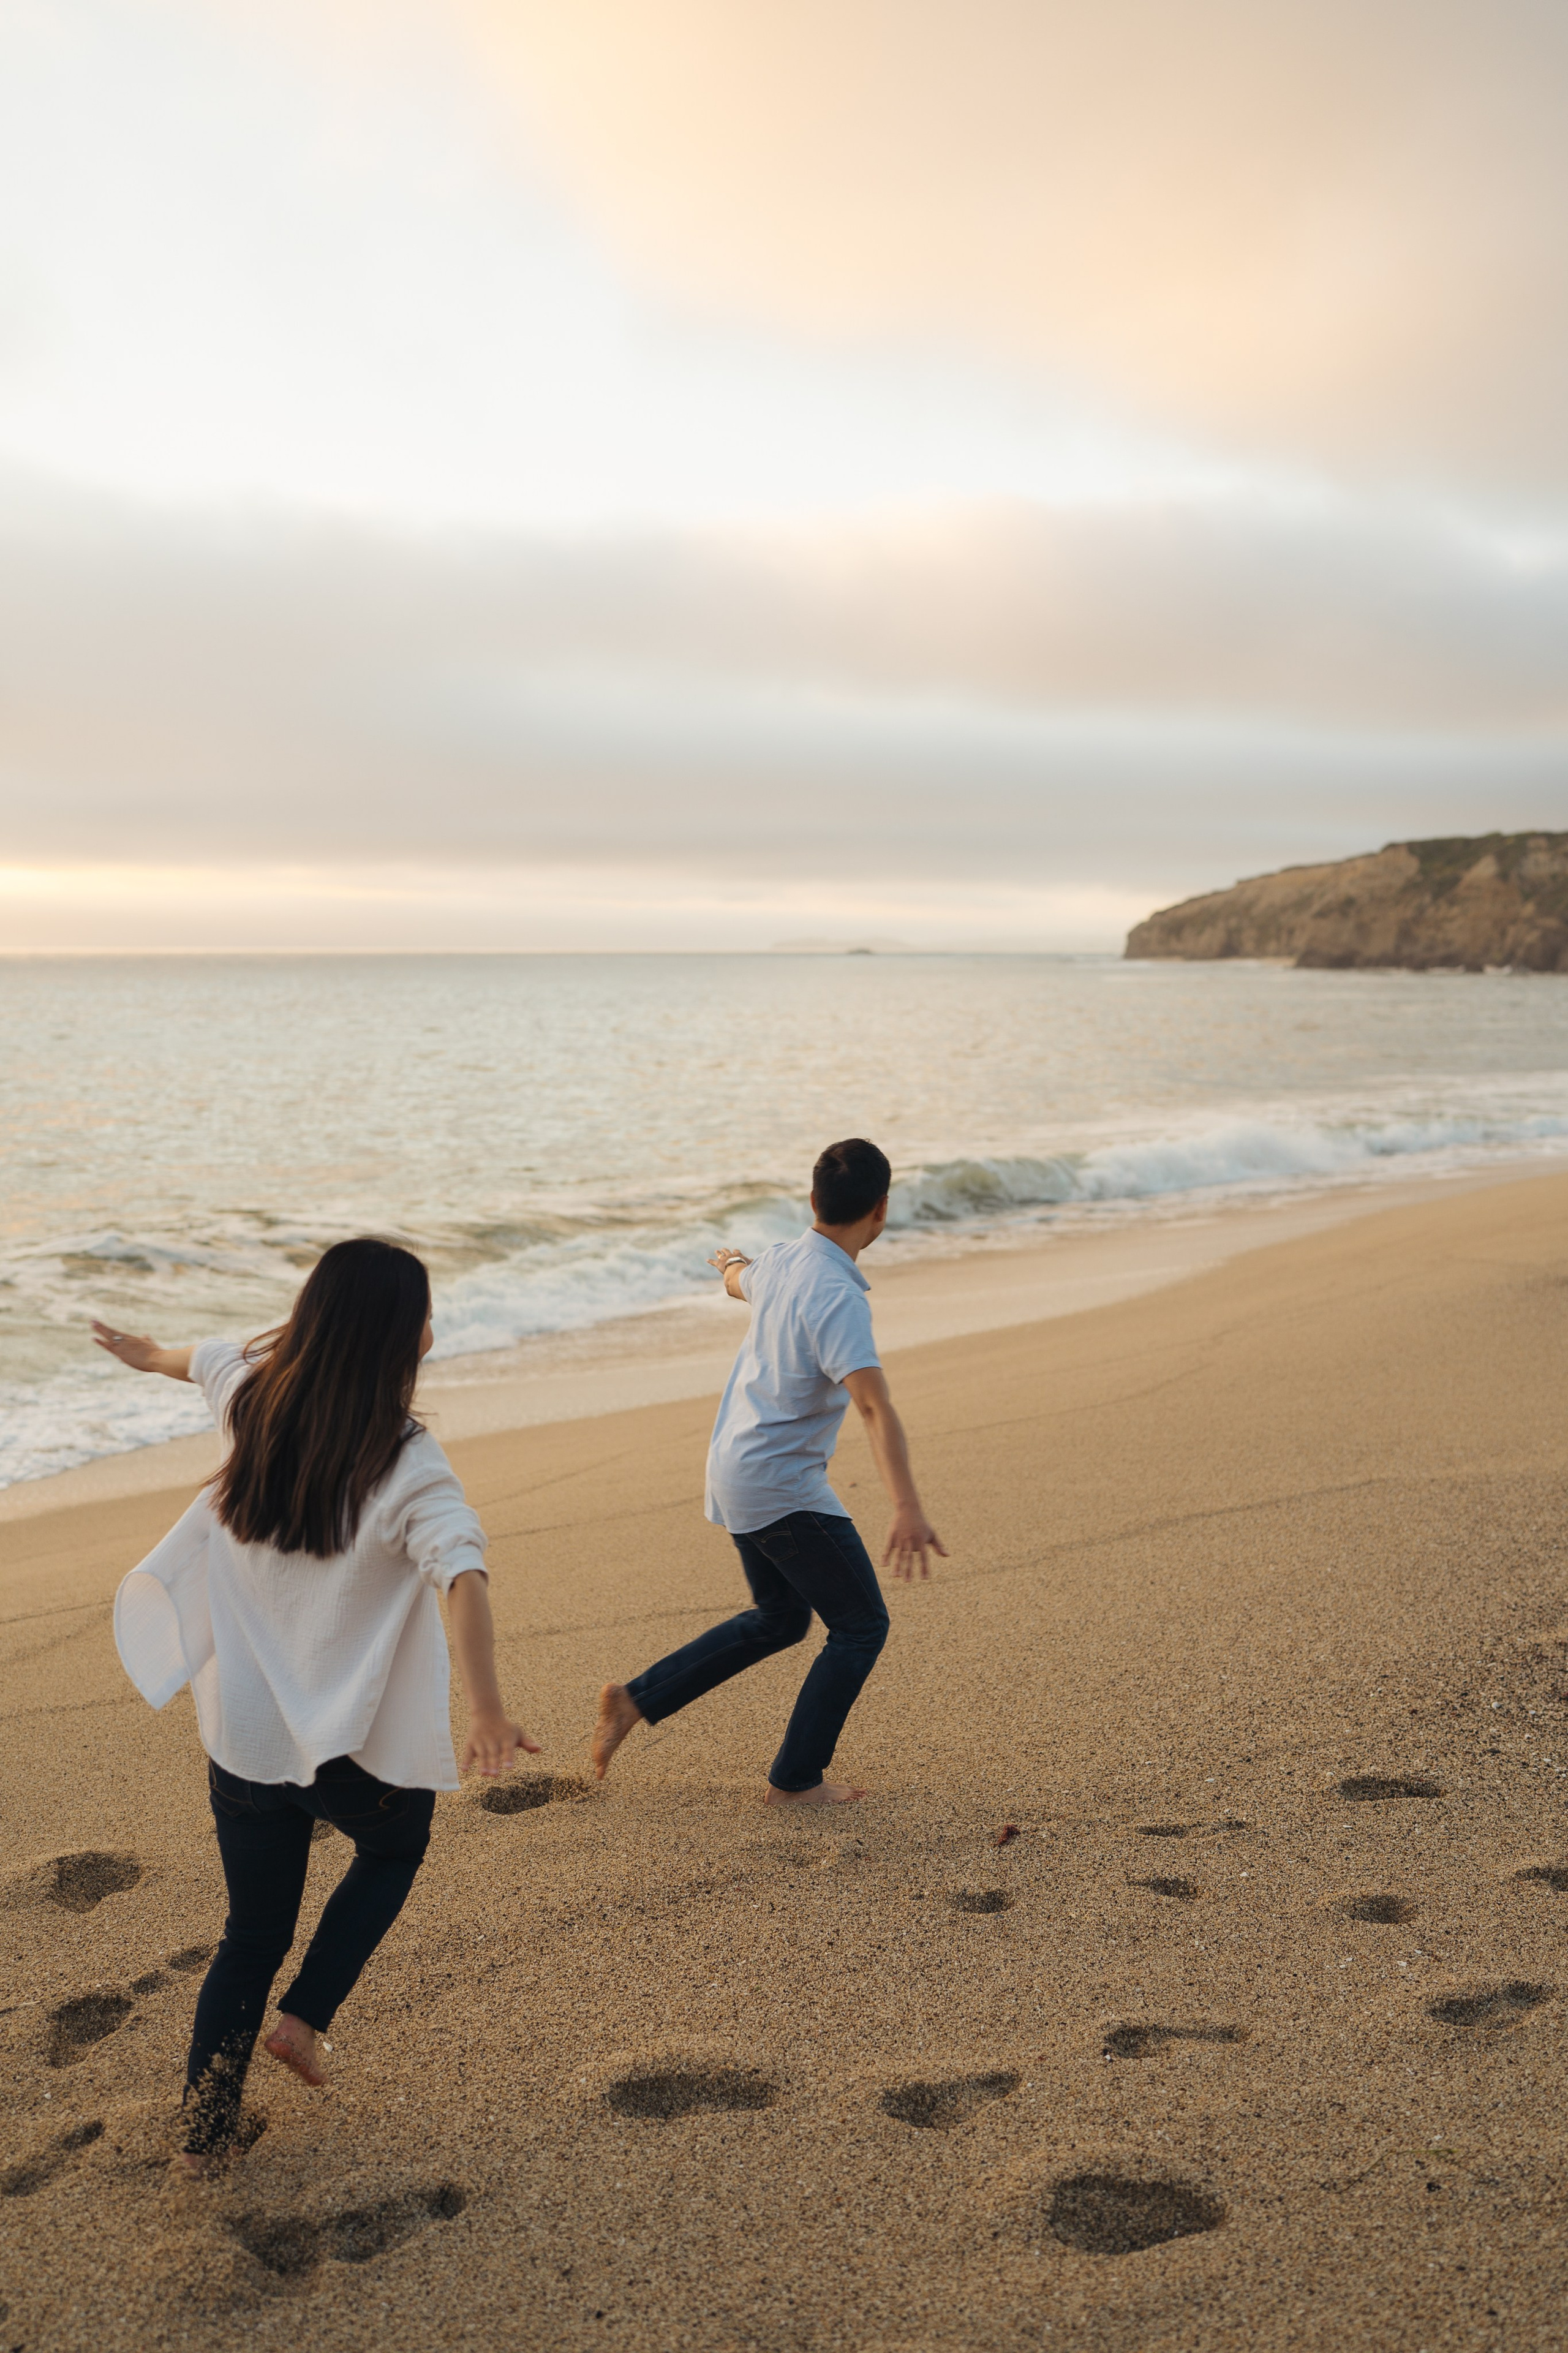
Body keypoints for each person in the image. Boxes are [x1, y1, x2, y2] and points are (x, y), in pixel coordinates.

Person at [94, 1237, 534, 2175]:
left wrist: (144, 1351)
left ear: (312, 1319)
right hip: (355, 1756)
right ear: (405, 1339)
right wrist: (489, 1709)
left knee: (247, 1938)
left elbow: (205, 1356)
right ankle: (305, 2019)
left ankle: (203, 2144)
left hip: (246, 1747)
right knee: (393, 1846)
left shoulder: (253, 1401)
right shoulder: (407, 1460)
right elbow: (461, 1570)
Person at [591, 1138, 945, 1807]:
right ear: (882, 1210)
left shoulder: (782, 1260)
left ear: (812, 1202)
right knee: (862, 1626)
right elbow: (873, 1404)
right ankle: (795, 1780)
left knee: (780, 1617)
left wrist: (727, 1260)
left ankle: (634, 1699)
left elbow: (737, 1279)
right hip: (778, 1485)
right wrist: (905, 1504)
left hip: (735, 1469)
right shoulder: (838, 1296)